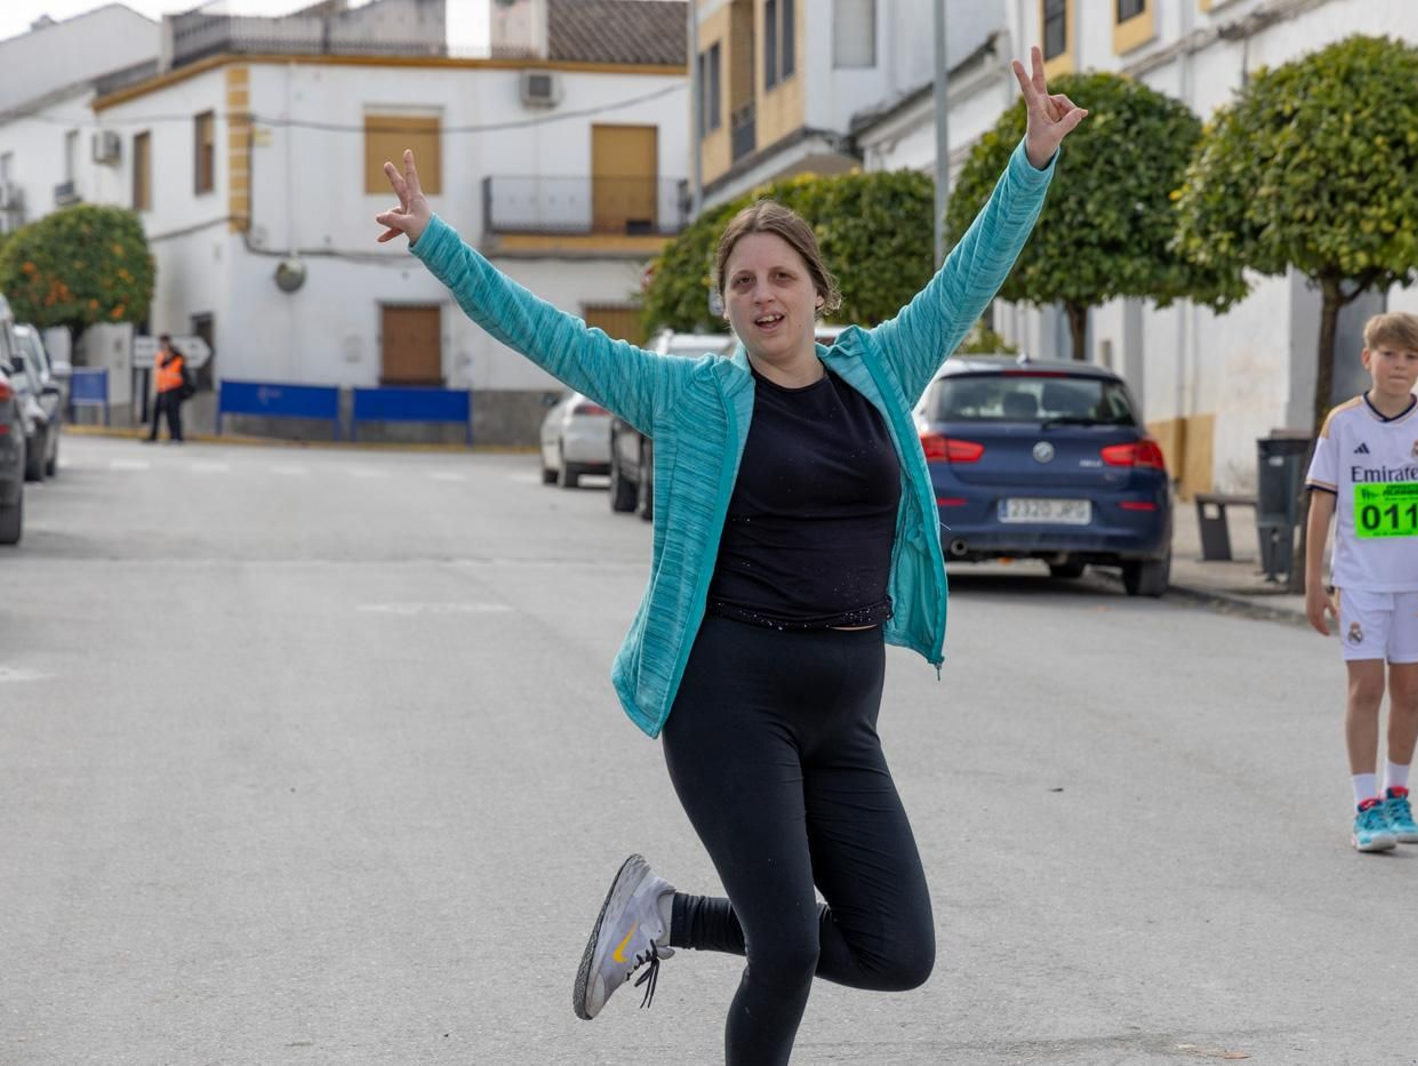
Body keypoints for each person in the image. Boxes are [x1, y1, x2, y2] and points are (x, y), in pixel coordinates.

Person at [376, 47, 1084, 1066]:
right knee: (788, 946)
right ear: (725, 303)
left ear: (816, 289)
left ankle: (666, 914)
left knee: (897, 950)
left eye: (781, 276)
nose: (763, 294)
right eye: (742, 282)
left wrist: (1031, 159)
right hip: (730, 695)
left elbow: (970, 274)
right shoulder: (691, 397)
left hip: (846, 704)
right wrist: (437, 243)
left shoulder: (881, 368)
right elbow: (549, 336)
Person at [1303, 312, 1418, 853]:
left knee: (1410, 691)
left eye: (1411, 357)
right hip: (1360, 582)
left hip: (1415, 585)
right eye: (1389, 354)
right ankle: (1365, 805)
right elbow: (1321, 504)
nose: (1399, 365)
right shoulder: (1343, 423)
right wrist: (1313, 581)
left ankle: (1397, 794)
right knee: (1366, 688)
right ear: (1367, 358)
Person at [146, 334, 187, 444]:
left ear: (169, 343)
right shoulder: (160, 356)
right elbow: (160, 370)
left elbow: (183, 375)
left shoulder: (177, 357)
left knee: (173, 414)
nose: (162, 345)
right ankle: (153, 436)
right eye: (161, 343)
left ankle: (176, 437)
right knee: (155, 413)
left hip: (174, 389)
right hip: (161, 389)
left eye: (164, 342)